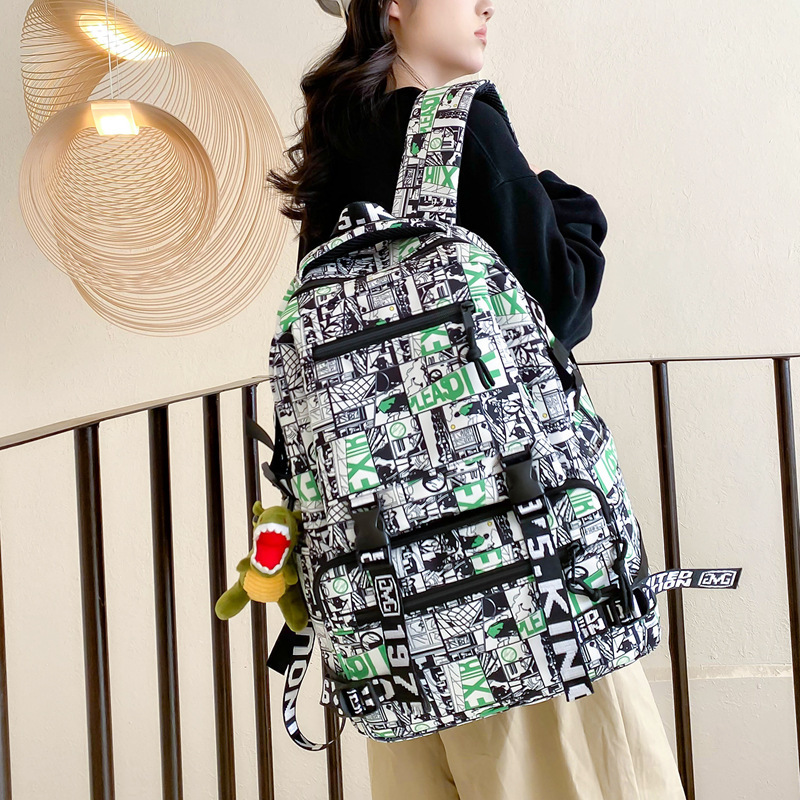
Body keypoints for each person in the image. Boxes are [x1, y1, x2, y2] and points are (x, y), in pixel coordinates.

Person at [267, 1, 687, 798]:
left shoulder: (336, 154)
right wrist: (569, 208)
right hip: (524, 598)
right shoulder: (467, 129)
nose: (487, 3)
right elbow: (559, 306)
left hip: (393, 623)